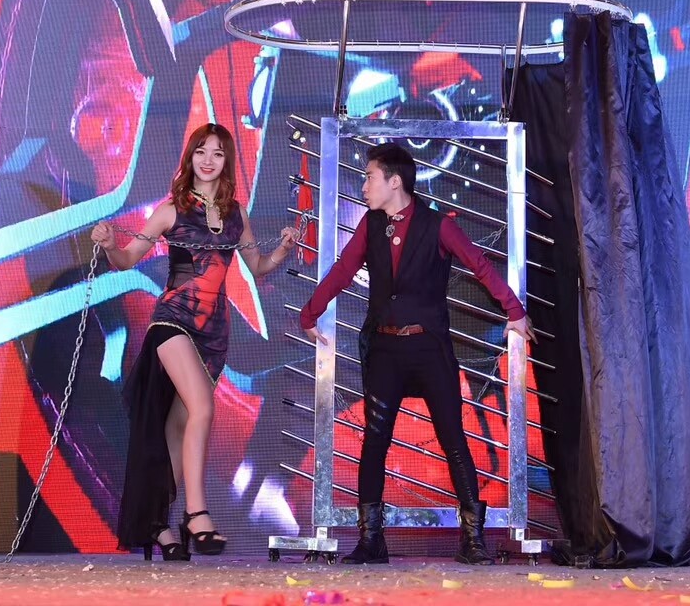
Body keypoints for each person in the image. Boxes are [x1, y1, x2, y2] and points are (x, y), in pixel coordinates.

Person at [299, 143, 536, 566]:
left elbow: (479, 264)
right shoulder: (370, 225)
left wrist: (514, 311)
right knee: (374, 441)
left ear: (395, 182)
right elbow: (343, 270)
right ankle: (372, 541)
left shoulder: (437, 225)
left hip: (429, 348)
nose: (364, 186)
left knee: (453, 438)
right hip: (385, 347)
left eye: (370, 177)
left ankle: (473, 540)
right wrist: (310, 312)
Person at [95, 123, 298, 561]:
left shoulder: (236, 215)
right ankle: (196, 513)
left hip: (213, 336)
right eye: (201, 151)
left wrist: (283, 251)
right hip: (172, 323)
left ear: (227, 162)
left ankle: (158, 525)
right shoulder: (170, 211)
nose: (208, 160)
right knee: (204, 408)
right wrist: (111, 244)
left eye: (218, 153)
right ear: (190, 158)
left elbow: (257, 266)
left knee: (178, 427)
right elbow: (126, 259)